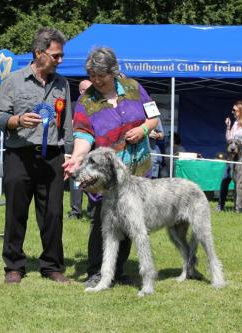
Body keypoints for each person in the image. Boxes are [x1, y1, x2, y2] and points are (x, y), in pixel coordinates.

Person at [62, 47, 159, 287]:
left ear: (113, 71)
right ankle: (96, 271)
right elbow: (83, 136)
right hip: (105, 175)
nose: (96, 80)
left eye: (101, 75)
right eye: (92, 75)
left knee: (129, 220)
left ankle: (118, 270)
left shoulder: (134, 88)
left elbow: (153, 116)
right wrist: (76, 158)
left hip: (136, 170)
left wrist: (144, 129)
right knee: (101, 221)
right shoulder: (86, 101)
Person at [0, 27, 73, 284]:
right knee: (16, 213)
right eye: (55, 55)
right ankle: (14, 266)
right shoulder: (13, 81)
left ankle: (52, 266)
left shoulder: (63, 84)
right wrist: (17, 120)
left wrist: (70, 155)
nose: (60, 60)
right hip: (19, 155)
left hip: (53, 157)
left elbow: (68, 125)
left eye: (61, 56)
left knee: (53, 214)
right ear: (39, 53)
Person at [217, 100, 242, 212]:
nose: (232, 112)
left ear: (241, 111)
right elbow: (229, 140)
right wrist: (228, 127)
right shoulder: (234, 123)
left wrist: (238, 146)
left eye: (235, 110)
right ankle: (221, 205)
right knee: (225, 179)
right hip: (231, 158)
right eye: (233, 110)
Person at [68, 79, 94, 219]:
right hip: (78, 147)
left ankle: (92, 210)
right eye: (85, 90)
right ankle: (75, 211)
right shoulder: (73, 105)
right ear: (80, 91)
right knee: (76, 180)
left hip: (94, 148)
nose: (87, 92)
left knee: (92, 179)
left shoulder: (97, 105)